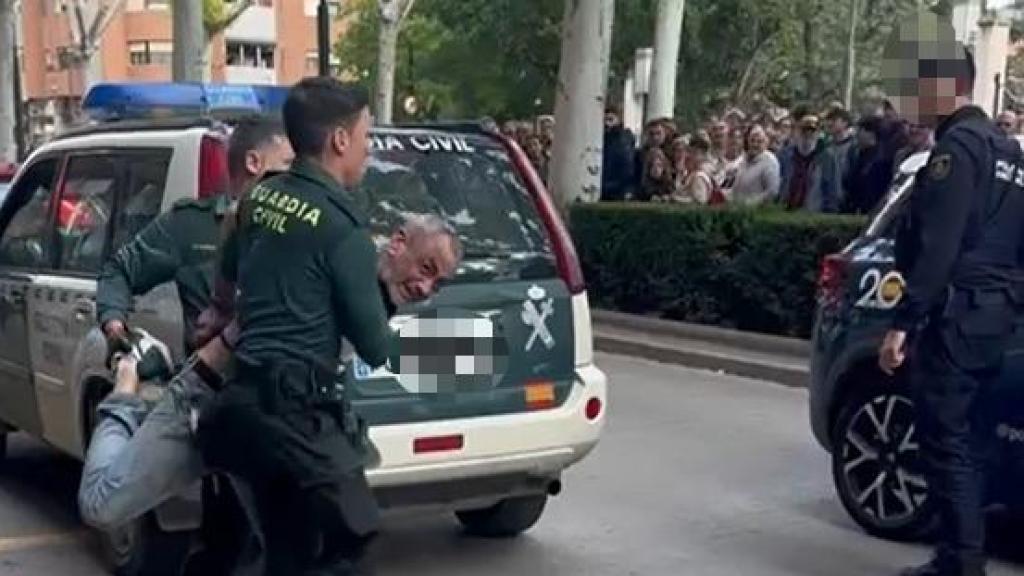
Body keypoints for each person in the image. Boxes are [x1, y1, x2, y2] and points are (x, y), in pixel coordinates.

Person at [197, 77, 461, 575]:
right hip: (296, 416)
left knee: (280, 549)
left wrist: (223, 315)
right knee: (352, 533)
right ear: (340, 140)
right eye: (367, 136)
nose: (368, 148)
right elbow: (376, 347)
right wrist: (454, 346)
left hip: (239, 408)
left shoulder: (262, 197)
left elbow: (227, 278)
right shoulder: (344, 231)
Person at [84, 116, 293, 572]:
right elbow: (120, 271)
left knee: (270, 539)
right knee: (227, 537)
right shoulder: (192, 226)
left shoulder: (301, 231)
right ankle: (121, 406)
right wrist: (116, 328)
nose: (296, 177)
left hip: (275, 409)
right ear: (254, 163)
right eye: (287, 163)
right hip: (210, 402)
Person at [877, 20, 1024, 576]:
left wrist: (901, 324)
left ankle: (960, 565)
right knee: (974, 442)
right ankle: (957, 556)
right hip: (995, 320)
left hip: (956, 318)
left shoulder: (956, 152)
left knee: (947, 444)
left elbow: (937, 248)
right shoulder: (1009, 152)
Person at [778, 114, 838, 212]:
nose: (808, 135)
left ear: (818, 133)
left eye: (812, 131)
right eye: (804, 131)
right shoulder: (785, 155)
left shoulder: (827, 158)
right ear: (797, 132)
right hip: (785, 212)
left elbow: (833, 191)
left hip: (813, 216)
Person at [842, 116, 894, 215]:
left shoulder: (881, 160)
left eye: (860, 131)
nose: (857, 135)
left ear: (870, 133)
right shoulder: (860, 155)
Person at [731, 124, 780, 206]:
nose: (755, 144)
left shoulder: (770, 162)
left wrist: (751, 203)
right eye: (752, 140)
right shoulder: (743, 159)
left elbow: (772, 192)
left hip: (758, 212)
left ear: (766, 143)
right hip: (738, 209)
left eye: (759, 141)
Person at [600, 105, 636, 202]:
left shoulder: (622, 140)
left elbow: (626, 167)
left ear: (618, 120)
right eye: (604, 120)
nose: (606, 124)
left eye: (610, 119)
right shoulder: (602, 139)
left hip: (616, 188)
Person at [824, 107, 857, 206]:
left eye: (834, 120)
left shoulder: (854, 147)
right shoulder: (826, 147)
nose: (830, 123)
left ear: (845, 123)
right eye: (828, 120)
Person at [669, 135, 716, 205]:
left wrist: (676, 199)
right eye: (690, 152)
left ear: (703, 156)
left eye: (695, 153)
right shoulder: (689, 174)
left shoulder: (699, 177)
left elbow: (700, 202)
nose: (689, 156)